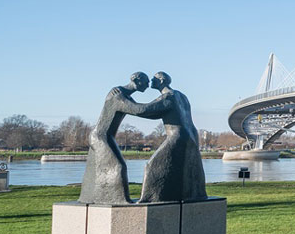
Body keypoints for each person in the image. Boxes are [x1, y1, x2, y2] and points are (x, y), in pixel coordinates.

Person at [79, 72, 153, 204]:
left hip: (106, 136)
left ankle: (95, 197)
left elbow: (141, 111)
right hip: (100, 136)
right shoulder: (118, 96)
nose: (148, 85)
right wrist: (163, 103)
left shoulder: (124, 95)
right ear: (137, 80)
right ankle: (119, 200)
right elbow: (139, 110)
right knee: (118, 166)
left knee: (102, 169)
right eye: (146, 82)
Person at [137, 71, 207, 203]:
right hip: (191, 134)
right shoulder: (181, 96)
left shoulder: (167, 97)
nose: (151, 80)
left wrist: (123, 102)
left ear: (162, 80)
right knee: (185, 169)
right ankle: (186, 195)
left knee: (152, 166)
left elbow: (145, 110)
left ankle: (150, 199)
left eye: (154, 78)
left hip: (177, 136)